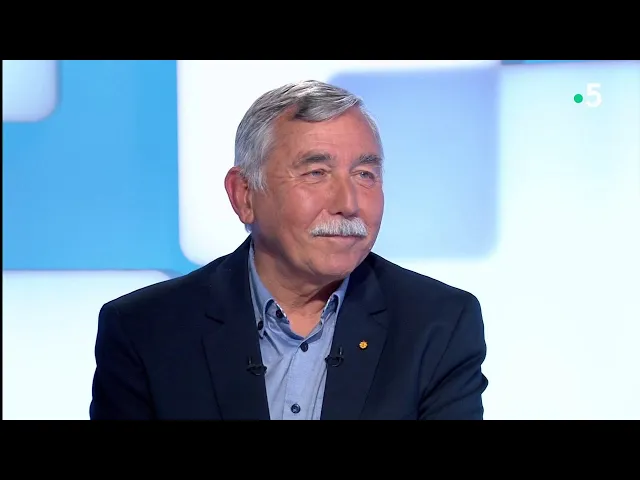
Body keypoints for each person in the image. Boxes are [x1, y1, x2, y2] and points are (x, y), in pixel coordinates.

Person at [90, 80, 488, 420]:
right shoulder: (145, 330)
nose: (348, 202)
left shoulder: (437, 325)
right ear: (244, 195)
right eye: (316, 173)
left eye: (365, 174)